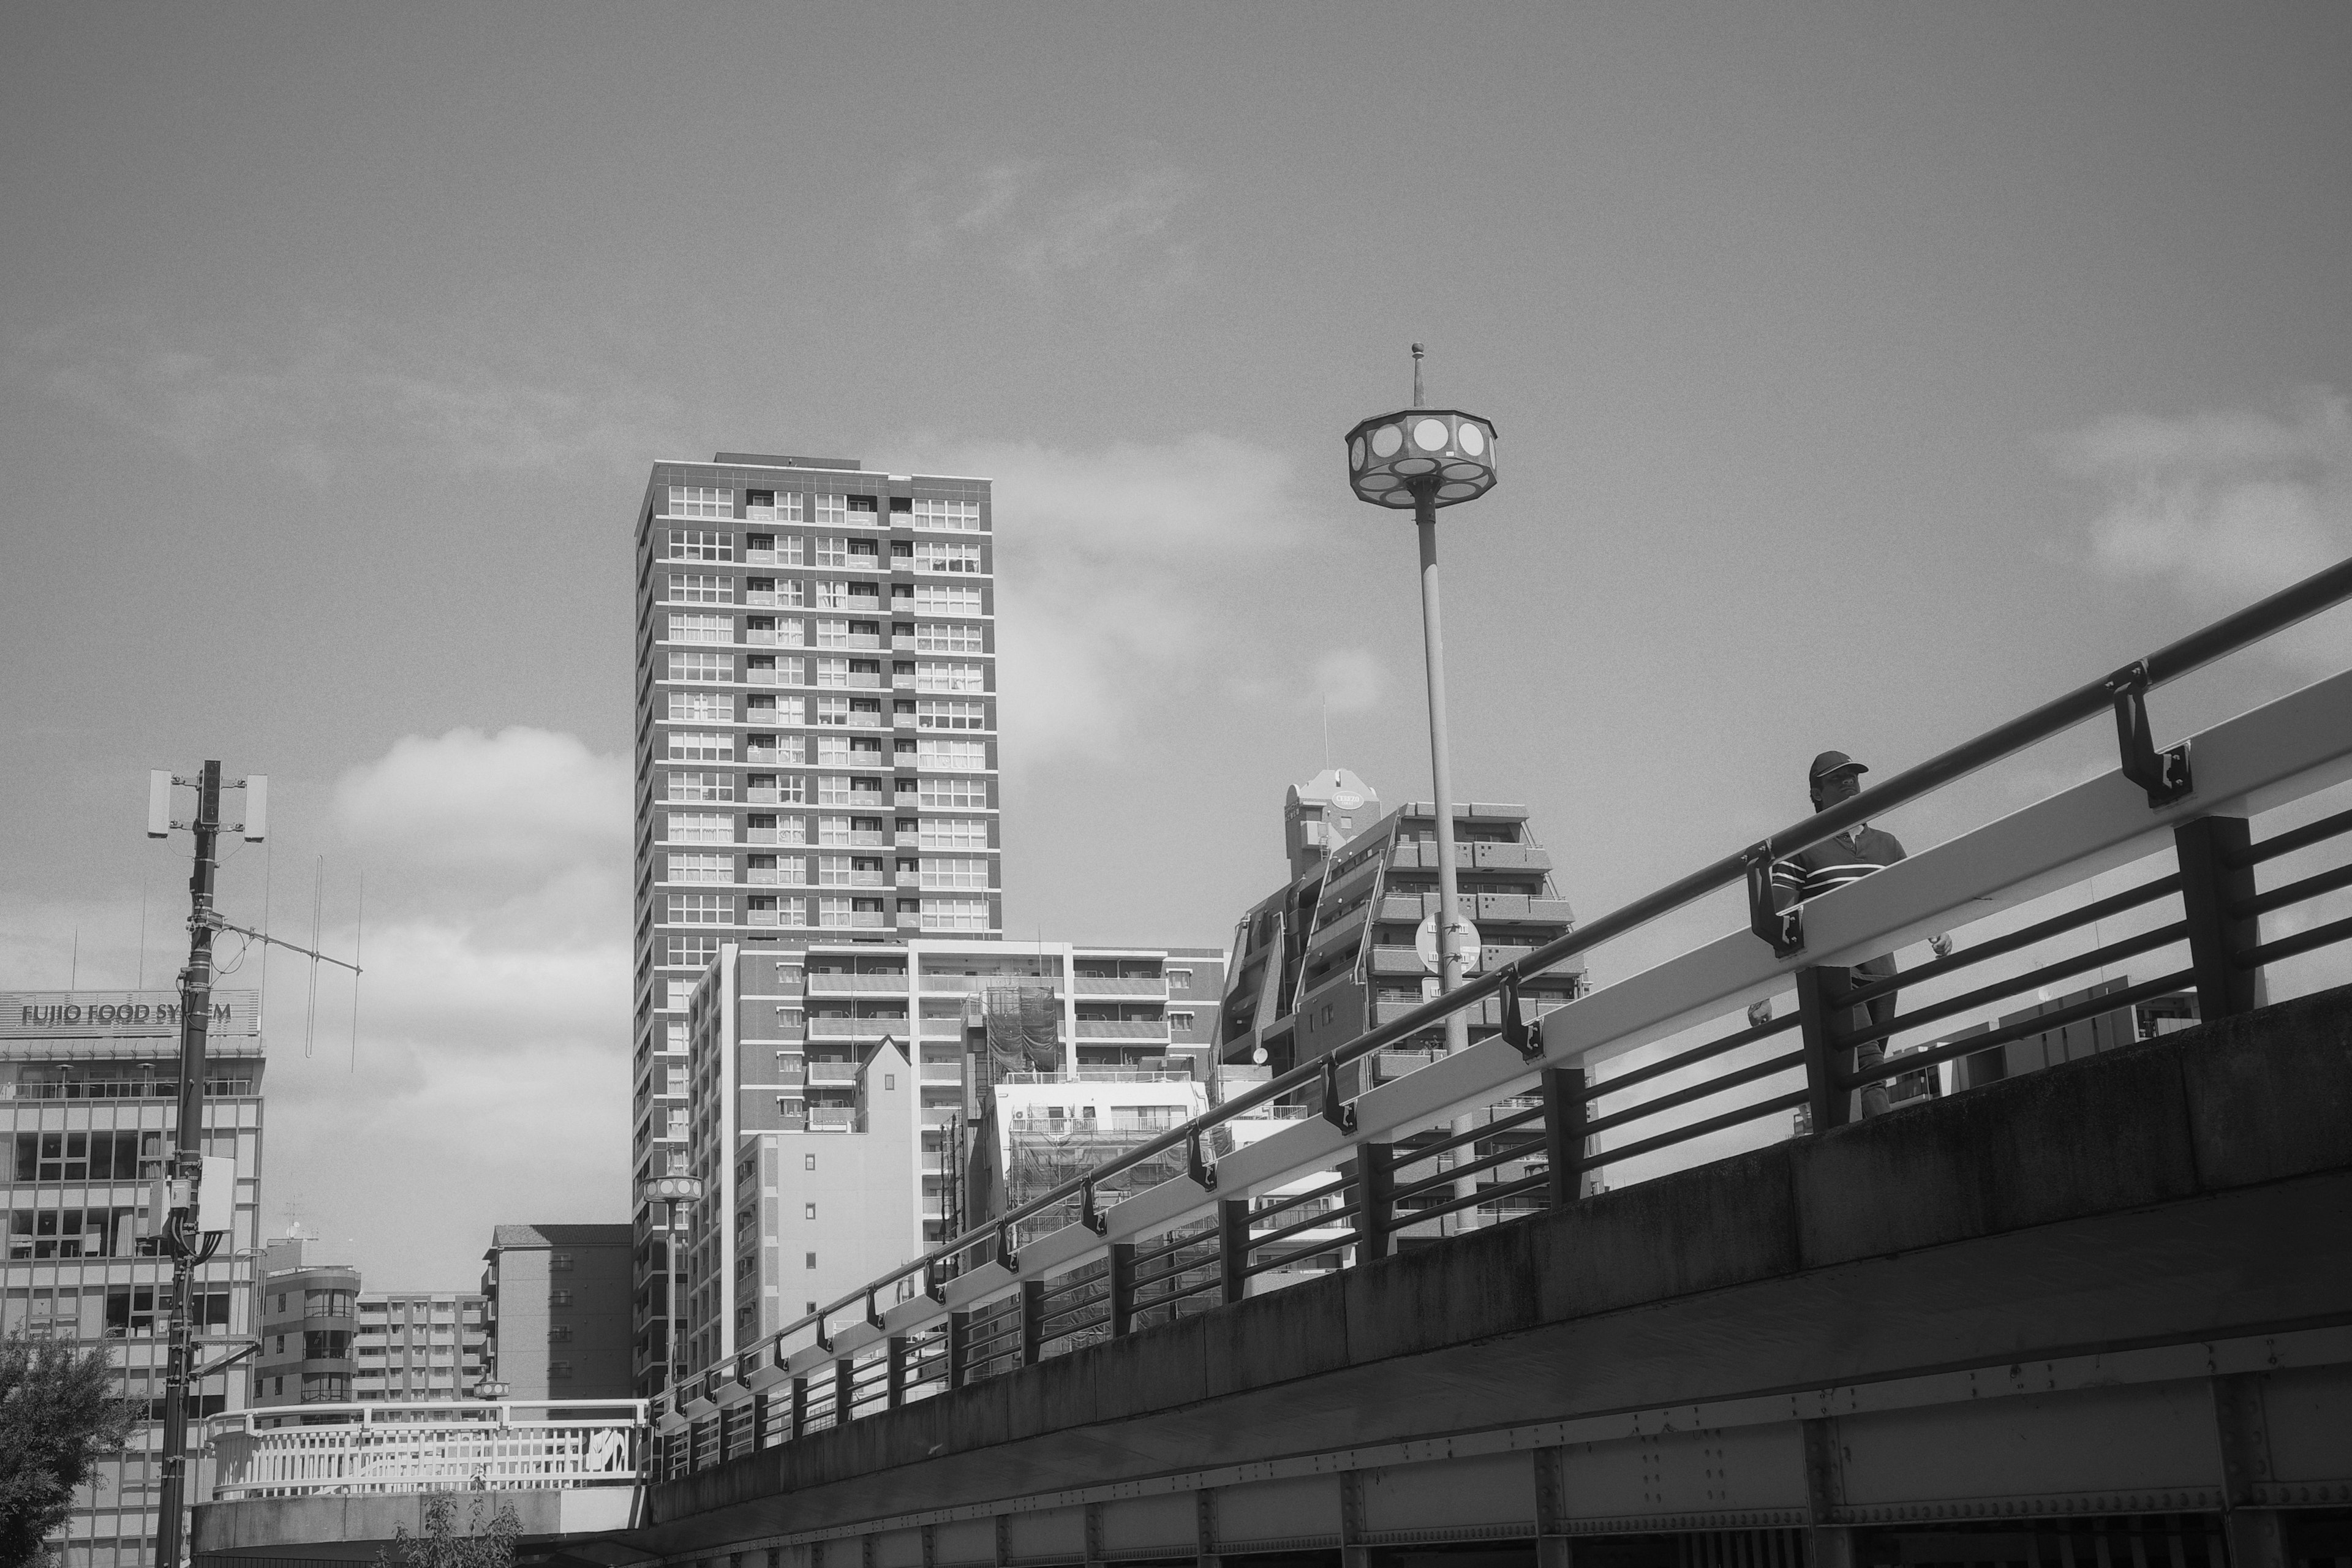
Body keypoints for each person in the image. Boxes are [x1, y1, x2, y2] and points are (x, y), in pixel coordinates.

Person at [1748, 750, 1951, 1119]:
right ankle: (1894, 1143)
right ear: (1816, 794)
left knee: (1863, 1071)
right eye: (1836, 779)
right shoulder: (1801, 850)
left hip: (1884, 973)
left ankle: (1843, 1138)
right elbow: (1776, 924)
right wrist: (1761, 992)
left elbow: (1913, 895)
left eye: (1853, 776)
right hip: (1836, 974)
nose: (1848, 783)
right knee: (1871, 1066)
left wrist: (1935, 931)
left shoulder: (1887, 845)